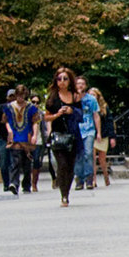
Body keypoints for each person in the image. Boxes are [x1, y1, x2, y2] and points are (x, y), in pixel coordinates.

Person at [44, 68, 82, 207]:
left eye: (65, 79)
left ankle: (67, 192)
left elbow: (81, 115)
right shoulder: (53, 97)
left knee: (71, 166)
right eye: (59, 79)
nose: (62, 82)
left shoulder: (75, 96)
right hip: (58, 135)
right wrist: (57, 114)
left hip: (72, 135)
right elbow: (46, 116)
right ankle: (63, 195)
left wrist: (72, 111)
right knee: (62, 164)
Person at [3, 85, 40, 195]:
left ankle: (27, 185)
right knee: (15, 161)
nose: (20, 99)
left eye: (22, 96)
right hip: (14, 136)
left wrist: (34, 135)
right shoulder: (9, 107)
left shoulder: (31, 108)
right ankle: (14, 183)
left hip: (26, 136)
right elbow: (6, 121)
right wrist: (9, 130)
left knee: (26, 162)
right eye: (18, 96)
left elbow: (35, 122)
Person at [74, 76, 100, 190]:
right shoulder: (73, 99)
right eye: (78, 83)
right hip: (77, 130)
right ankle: (79, 179)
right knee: (78, 155)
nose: (80, 86)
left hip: (89, 129)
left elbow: (96, 115)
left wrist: (98, 132)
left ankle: (89, 178)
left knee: (88, 153)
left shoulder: (91, 99)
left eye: (82, 84)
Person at [0, 89, 15, 192]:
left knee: (14, 162)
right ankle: (6, 183)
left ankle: (13, 183)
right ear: (7, 97)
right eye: (10, 96)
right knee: (4, 162)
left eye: (14, 96)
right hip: (3, 138)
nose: (12, 98)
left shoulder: (19, 108)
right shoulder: (1, 108)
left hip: (16, 139)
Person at [89, 88, 114, 186]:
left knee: (102, 159)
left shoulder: (104, 107)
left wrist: (112, 137)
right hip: (92, 134)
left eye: (94, 95)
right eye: (90, 95)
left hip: (103, 135)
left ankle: (105, 176)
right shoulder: (87, 107)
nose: (92, 97)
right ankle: (93, 179)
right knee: (92, 158)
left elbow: (109, 122)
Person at [29, 93, 48, 193]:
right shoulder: (26, 113)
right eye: (33, 102)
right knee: (26, 162)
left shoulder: (41, 114)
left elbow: (44, 127)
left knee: (37, 161)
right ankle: (27, 183)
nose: (35, 104)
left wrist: (47, 136)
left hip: (39, 140)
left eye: (37, 102)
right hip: (27, 140)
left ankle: (34, 183)